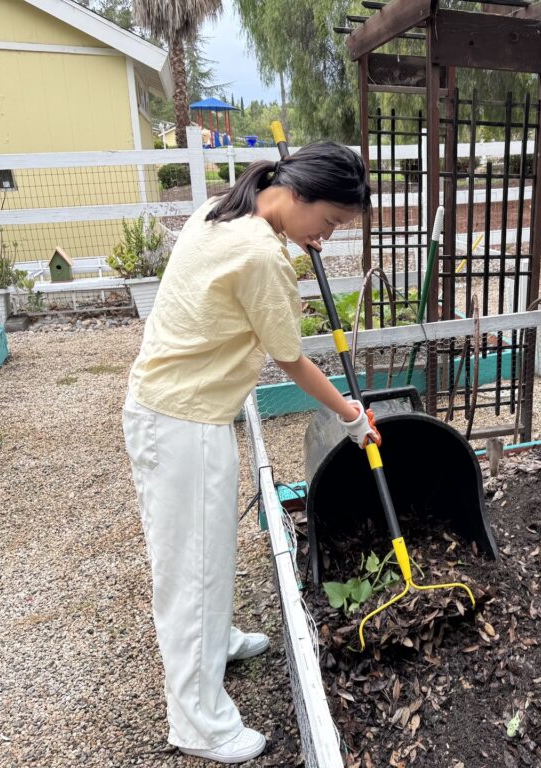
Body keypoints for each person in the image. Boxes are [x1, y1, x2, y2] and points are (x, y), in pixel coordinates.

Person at [122, 143, 380, 763]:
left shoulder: (225, 210)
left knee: (206, 553)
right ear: (299, 195)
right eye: (330, 222)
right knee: (190, 572)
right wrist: (352, 416)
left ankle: (214, 644)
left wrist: (299, 238)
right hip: (183, 421)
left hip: (180, 410)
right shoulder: (262, 255)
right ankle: (198, 722)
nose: (327, 237)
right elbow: (291, 359)